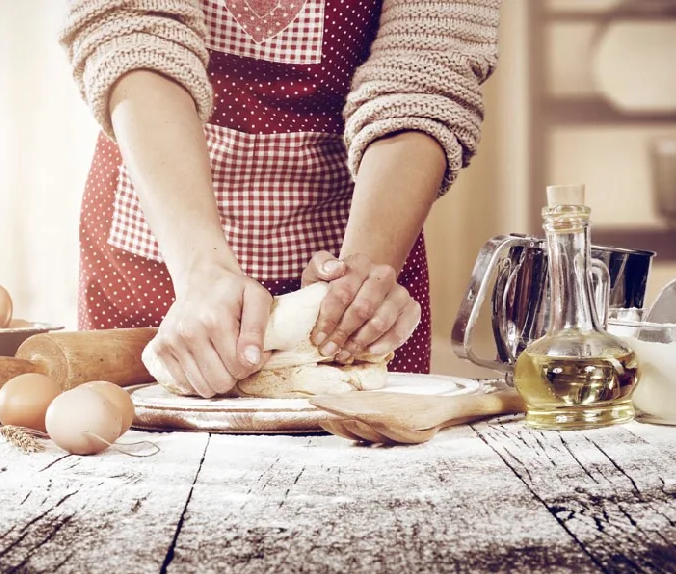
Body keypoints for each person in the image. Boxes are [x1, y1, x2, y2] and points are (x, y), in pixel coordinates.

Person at [60, 0, 501, 397]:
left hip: (354, 229)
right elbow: (135, 36)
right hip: (158, 243)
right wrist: (200, 269)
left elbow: (423, 73)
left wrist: (359, 284)